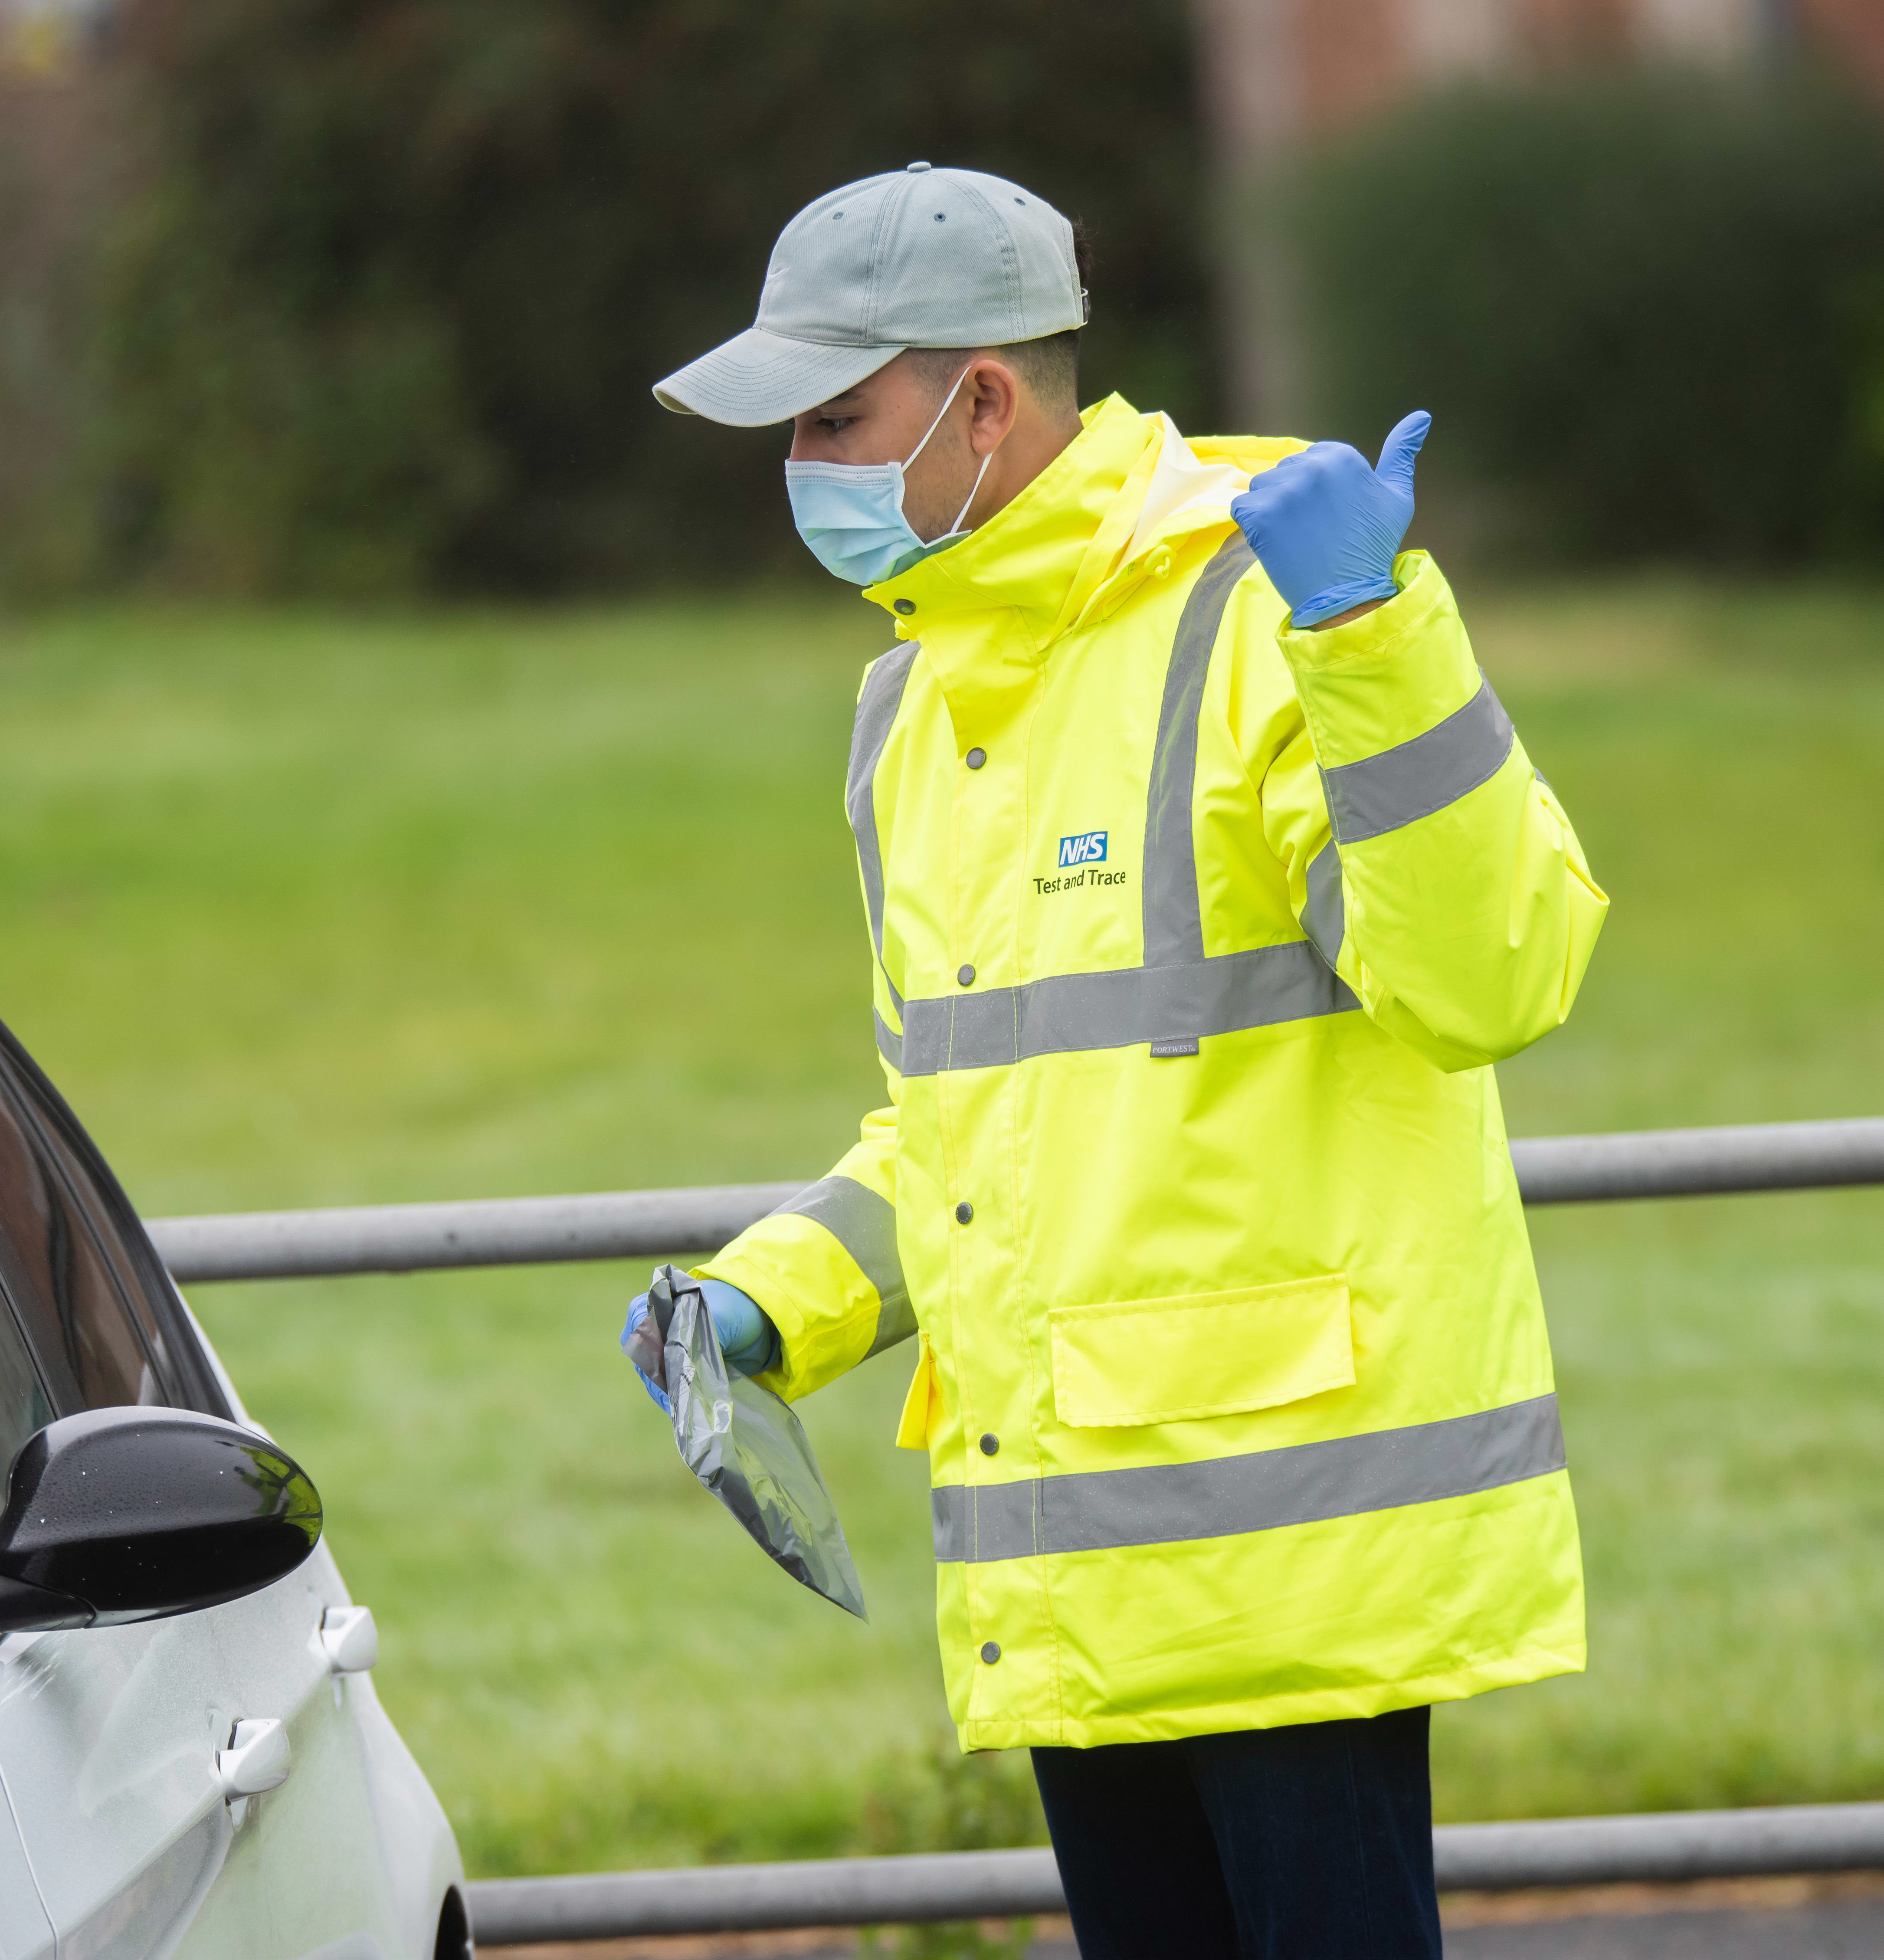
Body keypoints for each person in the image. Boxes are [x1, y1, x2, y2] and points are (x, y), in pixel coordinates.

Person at [620, 162, 1610, 1960]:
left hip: (1294, 1543)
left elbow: (1493, 978)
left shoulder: (1275, 599)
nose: (801, 474)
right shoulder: (916, 699)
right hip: (1081, 1566)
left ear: (980, 397)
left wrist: (1367, 636)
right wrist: (774, 1302)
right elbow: (974, 1114)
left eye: (835, 418)